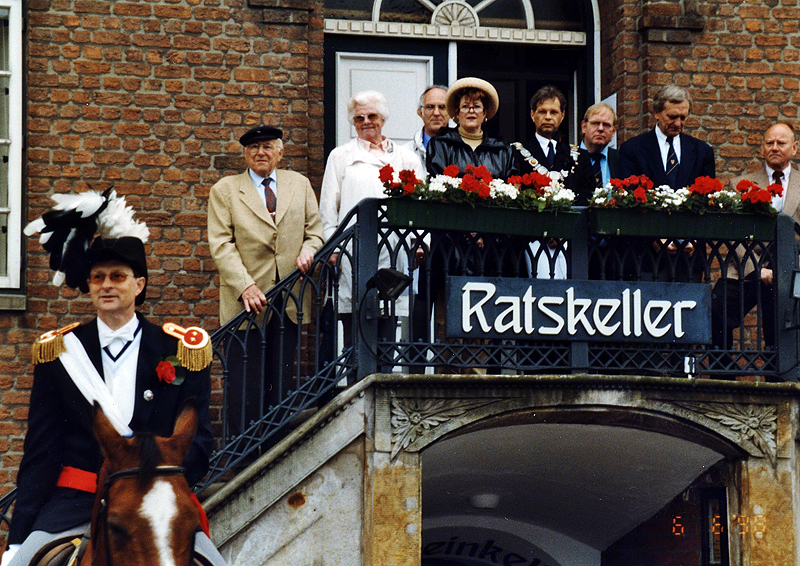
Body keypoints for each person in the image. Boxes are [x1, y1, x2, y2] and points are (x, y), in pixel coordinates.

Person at [4, 195, 223, 566]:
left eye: (118, 276)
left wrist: (161, 486)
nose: (107, 285)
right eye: (98, 278)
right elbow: (41, 452)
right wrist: (17, 538)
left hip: (157, 503)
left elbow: (200, 441)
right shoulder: (59, 354)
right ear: (88, 287)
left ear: (138, 286)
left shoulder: (180, 348)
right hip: (75, 500)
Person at [208, 125, 324, 434]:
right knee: (244, 385)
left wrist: (309, 251)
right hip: (246, 302)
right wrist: (245, 285)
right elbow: (221, 245)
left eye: (268, 146)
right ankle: (243, 460)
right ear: (244, 153)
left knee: (282, 384)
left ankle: (275, 454)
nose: (261, 152)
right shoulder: (226, 190)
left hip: (289, 300)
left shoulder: (299, 185)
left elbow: (316, 232)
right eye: (254, 147)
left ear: (281, 151)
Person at [319, 90, 424, 351]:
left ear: (383, 119)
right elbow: (328, 208)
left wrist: (420, 242)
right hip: (352, 251)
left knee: (388, 323)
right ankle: (357, 385)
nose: (366, 121)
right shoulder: (340, 156)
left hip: (393, 250)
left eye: (372, 115)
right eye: (359, 118)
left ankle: (385, 383)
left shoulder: (406, 158)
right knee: (354, 324)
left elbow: (421, 206)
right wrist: (332, 246)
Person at [711, 122, 800, 354]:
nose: (774, 147)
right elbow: (731, 234)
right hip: (745, 267)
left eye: (781, 143)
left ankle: (779, 383)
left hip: (789, 271)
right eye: (769, 143)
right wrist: (756, 269)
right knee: (718, 306)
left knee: (783, 330)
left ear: (794, 148)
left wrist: (786, 269)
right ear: (762, 148)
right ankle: (723, 373)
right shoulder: (740, 184)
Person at [619, 84, 715, 188]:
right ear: (656, 113)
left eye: (683, 118)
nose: (678, 123)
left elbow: (707, 197)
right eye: (672, 117)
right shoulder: (632, 149)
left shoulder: (702, 152)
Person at [512, 85, 594, 204]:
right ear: (532, 115)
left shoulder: (580, 156)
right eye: (542, 112)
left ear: (562, 116)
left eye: (554, 112)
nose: (548, 117)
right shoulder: (517, 153)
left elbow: (587, 198)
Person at [426, 77, 517, 179]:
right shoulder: (440, 144)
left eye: (477, 106)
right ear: (457, 113)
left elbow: (512, 185)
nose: (471, 111)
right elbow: (437, 181)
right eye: (465, 106)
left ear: (484, 113)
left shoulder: (502, 149)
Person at [580, 102, 620, 188]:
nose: (600, 129)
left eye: (606, 125)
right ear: (584, 127)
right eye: (595, 123)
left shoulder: (620, 160)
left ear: (613, 131)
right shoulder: (568, 158)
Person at [406, 85, 449, 165]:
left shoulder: (462, 150)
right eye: (430, 107)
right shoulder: (405, 152)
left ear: (450, 113)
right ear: (420, 112)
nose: (436, 113)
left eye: (442, 107)